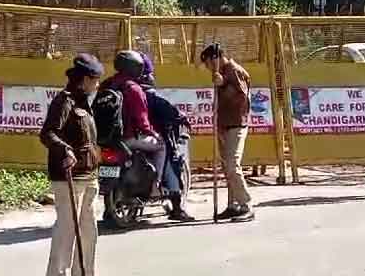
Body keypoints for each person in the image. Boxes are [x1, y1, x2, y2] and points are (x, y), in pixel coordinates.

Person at [39, 53, 109, 276]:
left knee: (88, 229)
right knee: (67, 228)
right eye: (95, 79)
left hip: (89, 176)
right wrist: (65, 150)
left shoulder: (84, 102)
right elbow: (48, 134)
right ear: (83, 80)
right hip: (68, 176)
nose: (98, 84)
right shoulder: (64, 101)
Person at [136, 59, 196, 222]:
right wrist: (181, 118)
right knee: (171, 158)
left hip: (124, 138)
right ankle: (177, 207)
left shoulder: (118, 87)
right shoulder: (147, 94)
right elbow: (168, 109)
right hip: (148, 136)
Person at [201, 44, 255, 222]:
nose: (207, 67)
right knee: (227, 168)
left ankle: (246, 205)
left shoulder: (233, 70)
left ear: (214, 58)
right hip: (224, 124)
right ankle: (233, 205)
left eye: (208, 63)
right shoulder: (222, 72)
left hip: (236, 125)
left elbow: (242, 98)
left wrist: (223, 84)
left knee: (233, 166)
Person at [100, 50, 167, 191]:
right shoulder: (134, 88)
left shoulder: (106, 84)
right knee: (162, 146)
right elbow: (142, 119)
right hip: (128, 138)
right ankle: (156, 187)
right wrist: (152, 133)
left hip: (106, 139)